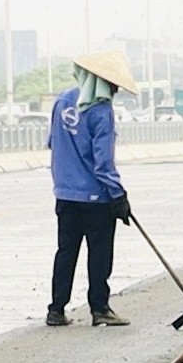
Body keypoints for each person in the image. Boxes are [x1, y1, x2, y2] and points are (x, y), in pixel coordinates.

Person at [46, 50, 138, 328]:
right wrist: (119, 195)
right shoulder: (101, 111)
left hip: (65, 195)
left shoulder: (62, 101)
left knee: (66, 251)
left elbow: (52, 143)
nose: (115, 90)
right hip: (96, 198)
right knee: (99, 253)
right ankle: (100, 308)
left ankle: (56, 309)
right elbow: (103, 163)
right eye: (113, 85)